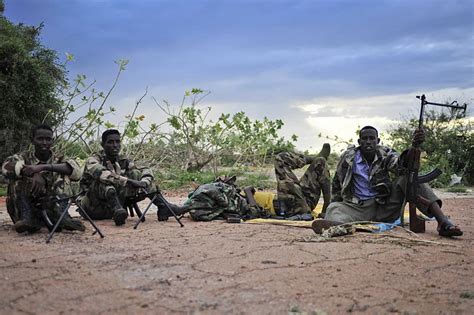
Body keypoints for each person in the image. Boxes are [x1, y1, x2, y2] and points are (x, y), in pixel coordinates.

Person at [313, 126, 463, 237]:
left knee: (409, 177)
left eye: (372, 138)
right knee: (334, 208)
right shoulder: (348, 158)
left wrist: (414, 146)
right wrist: (330, 208)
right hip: (357, 208)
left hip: (384, 206)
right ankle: (339, 227)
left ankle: (443, 222)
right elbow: (337, 184)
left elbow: (400, 165)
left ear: (378, 141)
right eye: (364, 139)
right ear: (359, 141)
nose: (368, 142)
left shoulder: (385, 153)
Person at [78, 129, 181, 226]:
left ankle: (163, 206)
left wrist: (143, 182)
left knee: (135, 173)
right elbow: (103, 174)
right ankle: (117, 211)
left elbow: (144, 169)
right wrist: (129, 181)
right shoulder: (93, 160)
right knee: (104, 181)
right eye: (110, 142)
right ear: (103, 145)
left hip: (117, 206)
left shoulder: (123, 160)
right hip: (92, 207)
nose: (115, 146)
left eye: (118, 142)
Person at [2, 124, 85, 233]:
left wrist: (42, 167)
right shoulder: (22, 157)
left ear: (53, 141)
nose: (44, 143)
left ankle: (61, 216)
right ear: (32, 140)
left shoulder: (59, 158)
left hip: (51, 206)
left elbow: (77, 173)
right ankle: (28, 219)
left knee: (64, 173)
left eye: (48, 139)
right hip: (24, 209)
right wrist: (32, 173)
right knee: (17, 174)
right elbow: (5, 167)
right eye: (40, 139)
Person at [273, 143, 331, 218]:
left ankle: (327, 206)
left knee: (320, 161)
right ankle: (327, 207)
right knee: (279, 158)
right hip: (292, 206)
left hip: (305, 199)